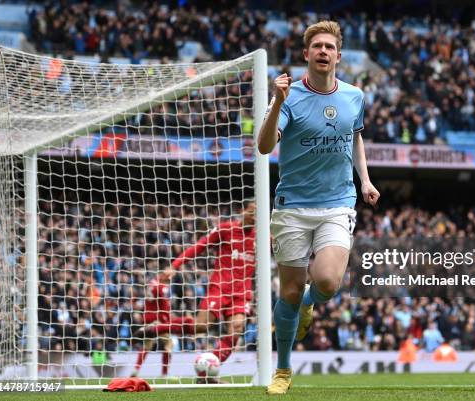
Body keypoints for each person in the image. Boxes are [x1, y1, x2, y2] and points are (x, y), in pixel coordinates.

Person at [257, 20, 379, 394]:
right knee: (289, 294)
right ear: (306, 54)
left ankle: (312, 302)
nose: (323, 52)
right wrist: (276, 102)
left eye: (329, 47)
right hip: (293, 206)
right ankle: (282, 370)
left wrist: (366, 180)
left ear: (338, 56)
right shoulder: (288, 95)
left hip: (337, 203)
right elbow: (263, 147)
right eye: (317, 47)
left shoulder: (354, 96)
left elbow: (354, 138)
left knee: (326, 281)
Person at [136, 201, 256, 373]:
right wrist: (175, 265)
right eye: (251, 211)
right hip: (220, 287)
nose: (254, 216)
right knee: (201, 326)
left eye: (258, 213)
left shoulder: (263, 237)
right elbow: (199, 246)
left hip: (241, 293)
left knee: (236, 329)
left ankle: (206, 373)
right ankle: (157, 329)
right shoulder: (225, 229)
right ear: (242, 211)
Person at [132, 266, 190, 378]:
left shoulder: (151, 283)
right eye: (169, 275)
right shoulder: (162, 287)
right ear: (164, 274)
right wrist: (167, 321)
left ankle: (136, 369)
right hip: (158, 320)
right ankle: (164, 374)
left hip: (147, 317)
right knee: (169, 344)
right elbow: (163, 306)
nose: (170, 278)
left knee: (147, 345)